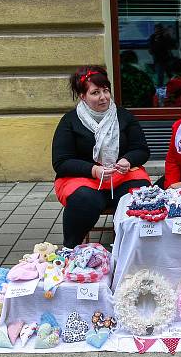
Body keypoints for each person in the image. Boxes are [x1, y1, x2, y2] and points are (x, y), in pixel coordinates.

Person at [52, 65, 151, 248]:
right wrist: (94, 170)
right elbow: (61, 162)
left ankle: (137, 247)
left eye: (105, 90)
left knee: (141, 195)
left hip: (122, 176)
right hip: (84, 178)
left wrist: (127, 160)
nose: (103, 97)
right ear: (83, 96)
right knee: (84, 199)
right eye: (95, 92)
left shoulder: (124, 116)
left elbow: (142, 149)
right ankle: (71, 248)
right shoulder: (70, 121)